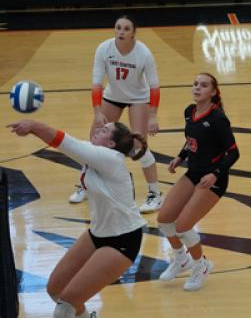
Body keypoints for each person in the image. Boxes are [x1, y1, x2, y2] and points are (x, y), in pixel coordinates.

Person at [7, 119, 147, 318]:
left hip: (123, 240)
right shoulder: (96, 153)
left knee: (66, 306)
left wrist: (34, 125)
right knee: (56, 289)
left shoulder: (109, 157)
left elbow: (66, 142)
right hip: (97, 233)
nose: (99, 129)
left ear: (111, 144)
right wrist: (33, 131)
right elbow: (66, 144)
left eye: (105, 130)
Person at [69, 15, 163, 213]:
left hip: (138, 98)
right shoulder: (104, 49)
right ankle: (85, 184)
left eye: (126, 29)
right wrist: (97, 113)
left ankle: (155, 194)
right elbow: (96, 84)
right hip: (112, 96)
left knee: (138, 145)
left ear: (133, 33)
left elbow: (154, 87)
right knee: (95, 138)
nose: (121, 32)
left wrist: (153, 115)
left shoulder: (143, 53)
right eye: (118, 27)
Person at [157, 72, 240, 291]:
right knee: (164, 219)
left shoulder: (218, 119)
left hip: (213, 178)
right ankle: (180, 259)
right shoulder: (189, 111)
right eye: (195, 84)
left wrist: (215, 173)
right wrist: (180, 157)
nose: (197, 88)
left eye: (203, 85)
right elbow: (191, 141)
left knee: (183, 226)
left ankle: (201, 265)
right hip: (193, 172)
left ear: (213, 92)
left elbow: (233, 153)